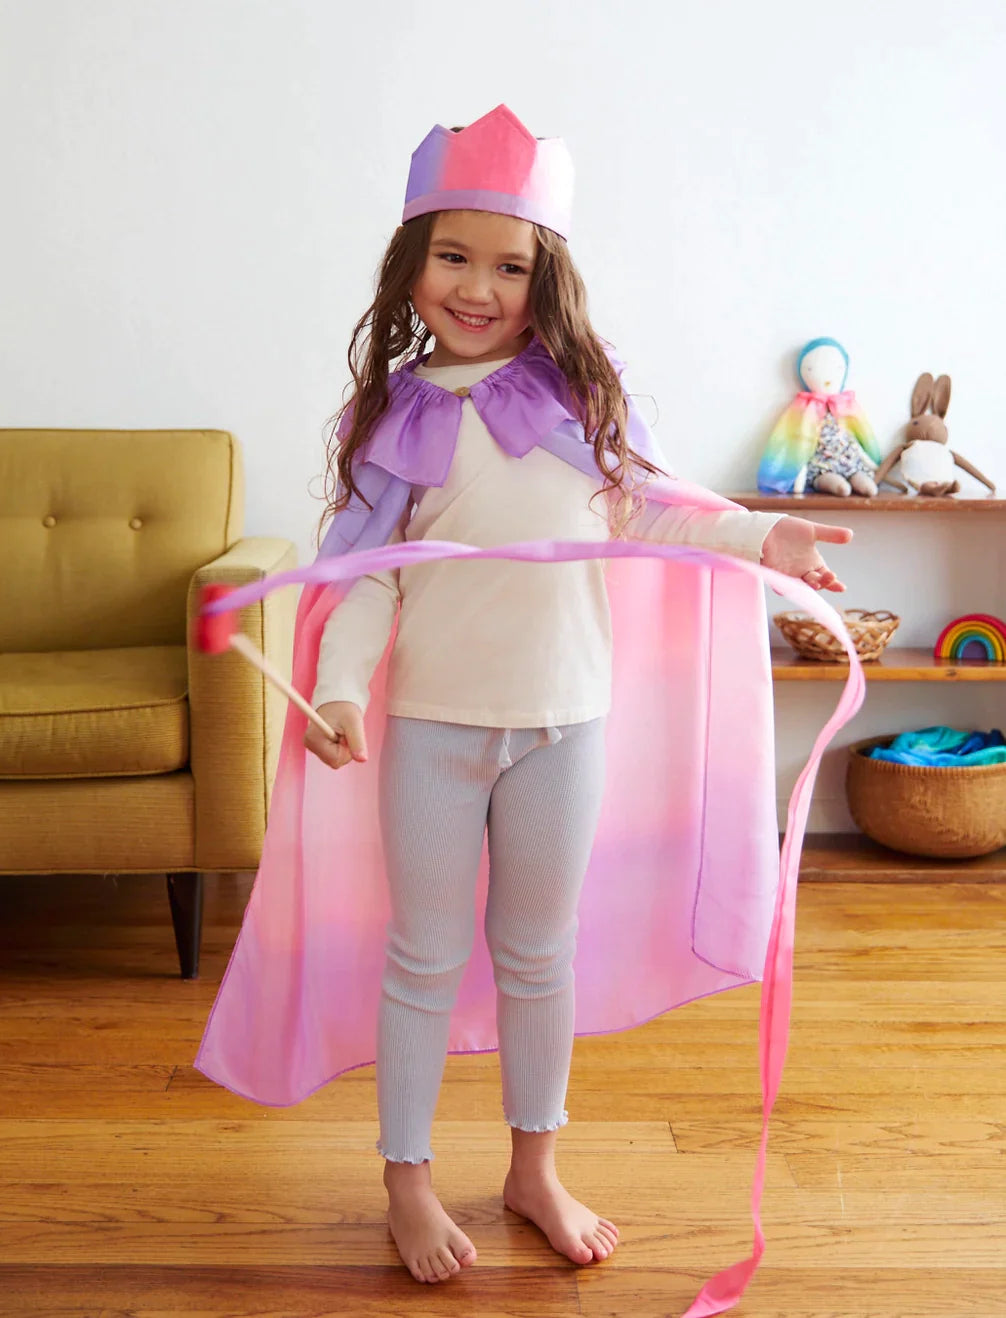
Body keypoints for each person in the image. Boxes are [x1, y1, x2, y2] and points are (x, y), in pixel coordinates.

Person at [196, 105, 852, 1296]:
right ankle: (405, 1178)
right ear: (409, 266)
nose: (479, 287)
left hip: (566, 726)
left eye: (510, 265)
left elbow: (654, 508)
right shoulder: (391, 421)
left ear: (548, 280)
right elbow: (366, 581)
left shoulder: (579, 404)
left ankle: (531, 1167)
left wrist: (771, 534)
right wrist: (337, 691)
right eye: (454, 256)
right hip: (436, 734)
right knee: (422, 954)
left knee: (538, 953)